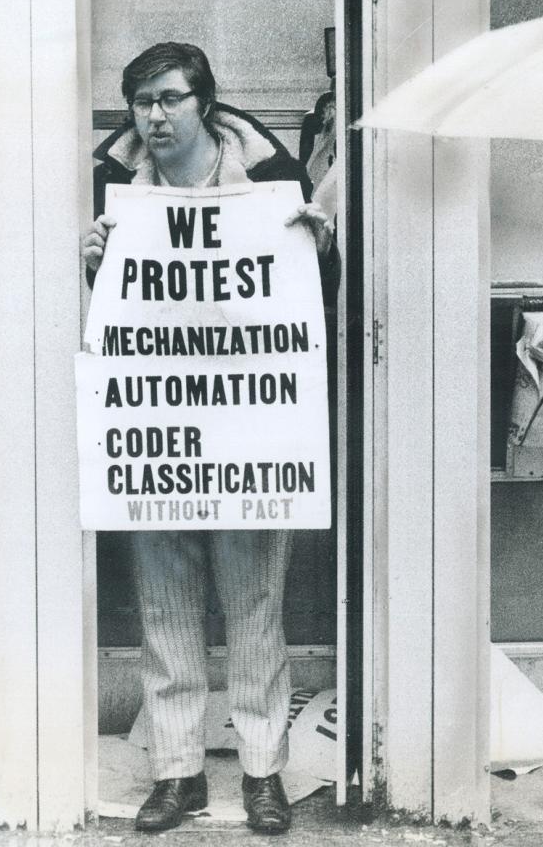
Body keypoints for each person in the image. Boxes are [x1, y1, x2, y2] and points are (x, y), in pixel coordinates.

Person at [83, 42, 331, 835]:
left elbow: (309, 307)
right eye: (141, 102)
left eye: (169, 100)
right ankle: (178, 772)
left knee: (254, 602)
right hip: (158, 426)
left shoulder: (269, 184)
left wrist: (314, 248)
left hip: (251, 423)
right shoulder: (112, 187)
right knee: (165, 607)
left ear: (205, 104)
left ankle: (262, 773)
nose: (153, 117)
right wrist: (91, 264)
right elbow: (107, 313)